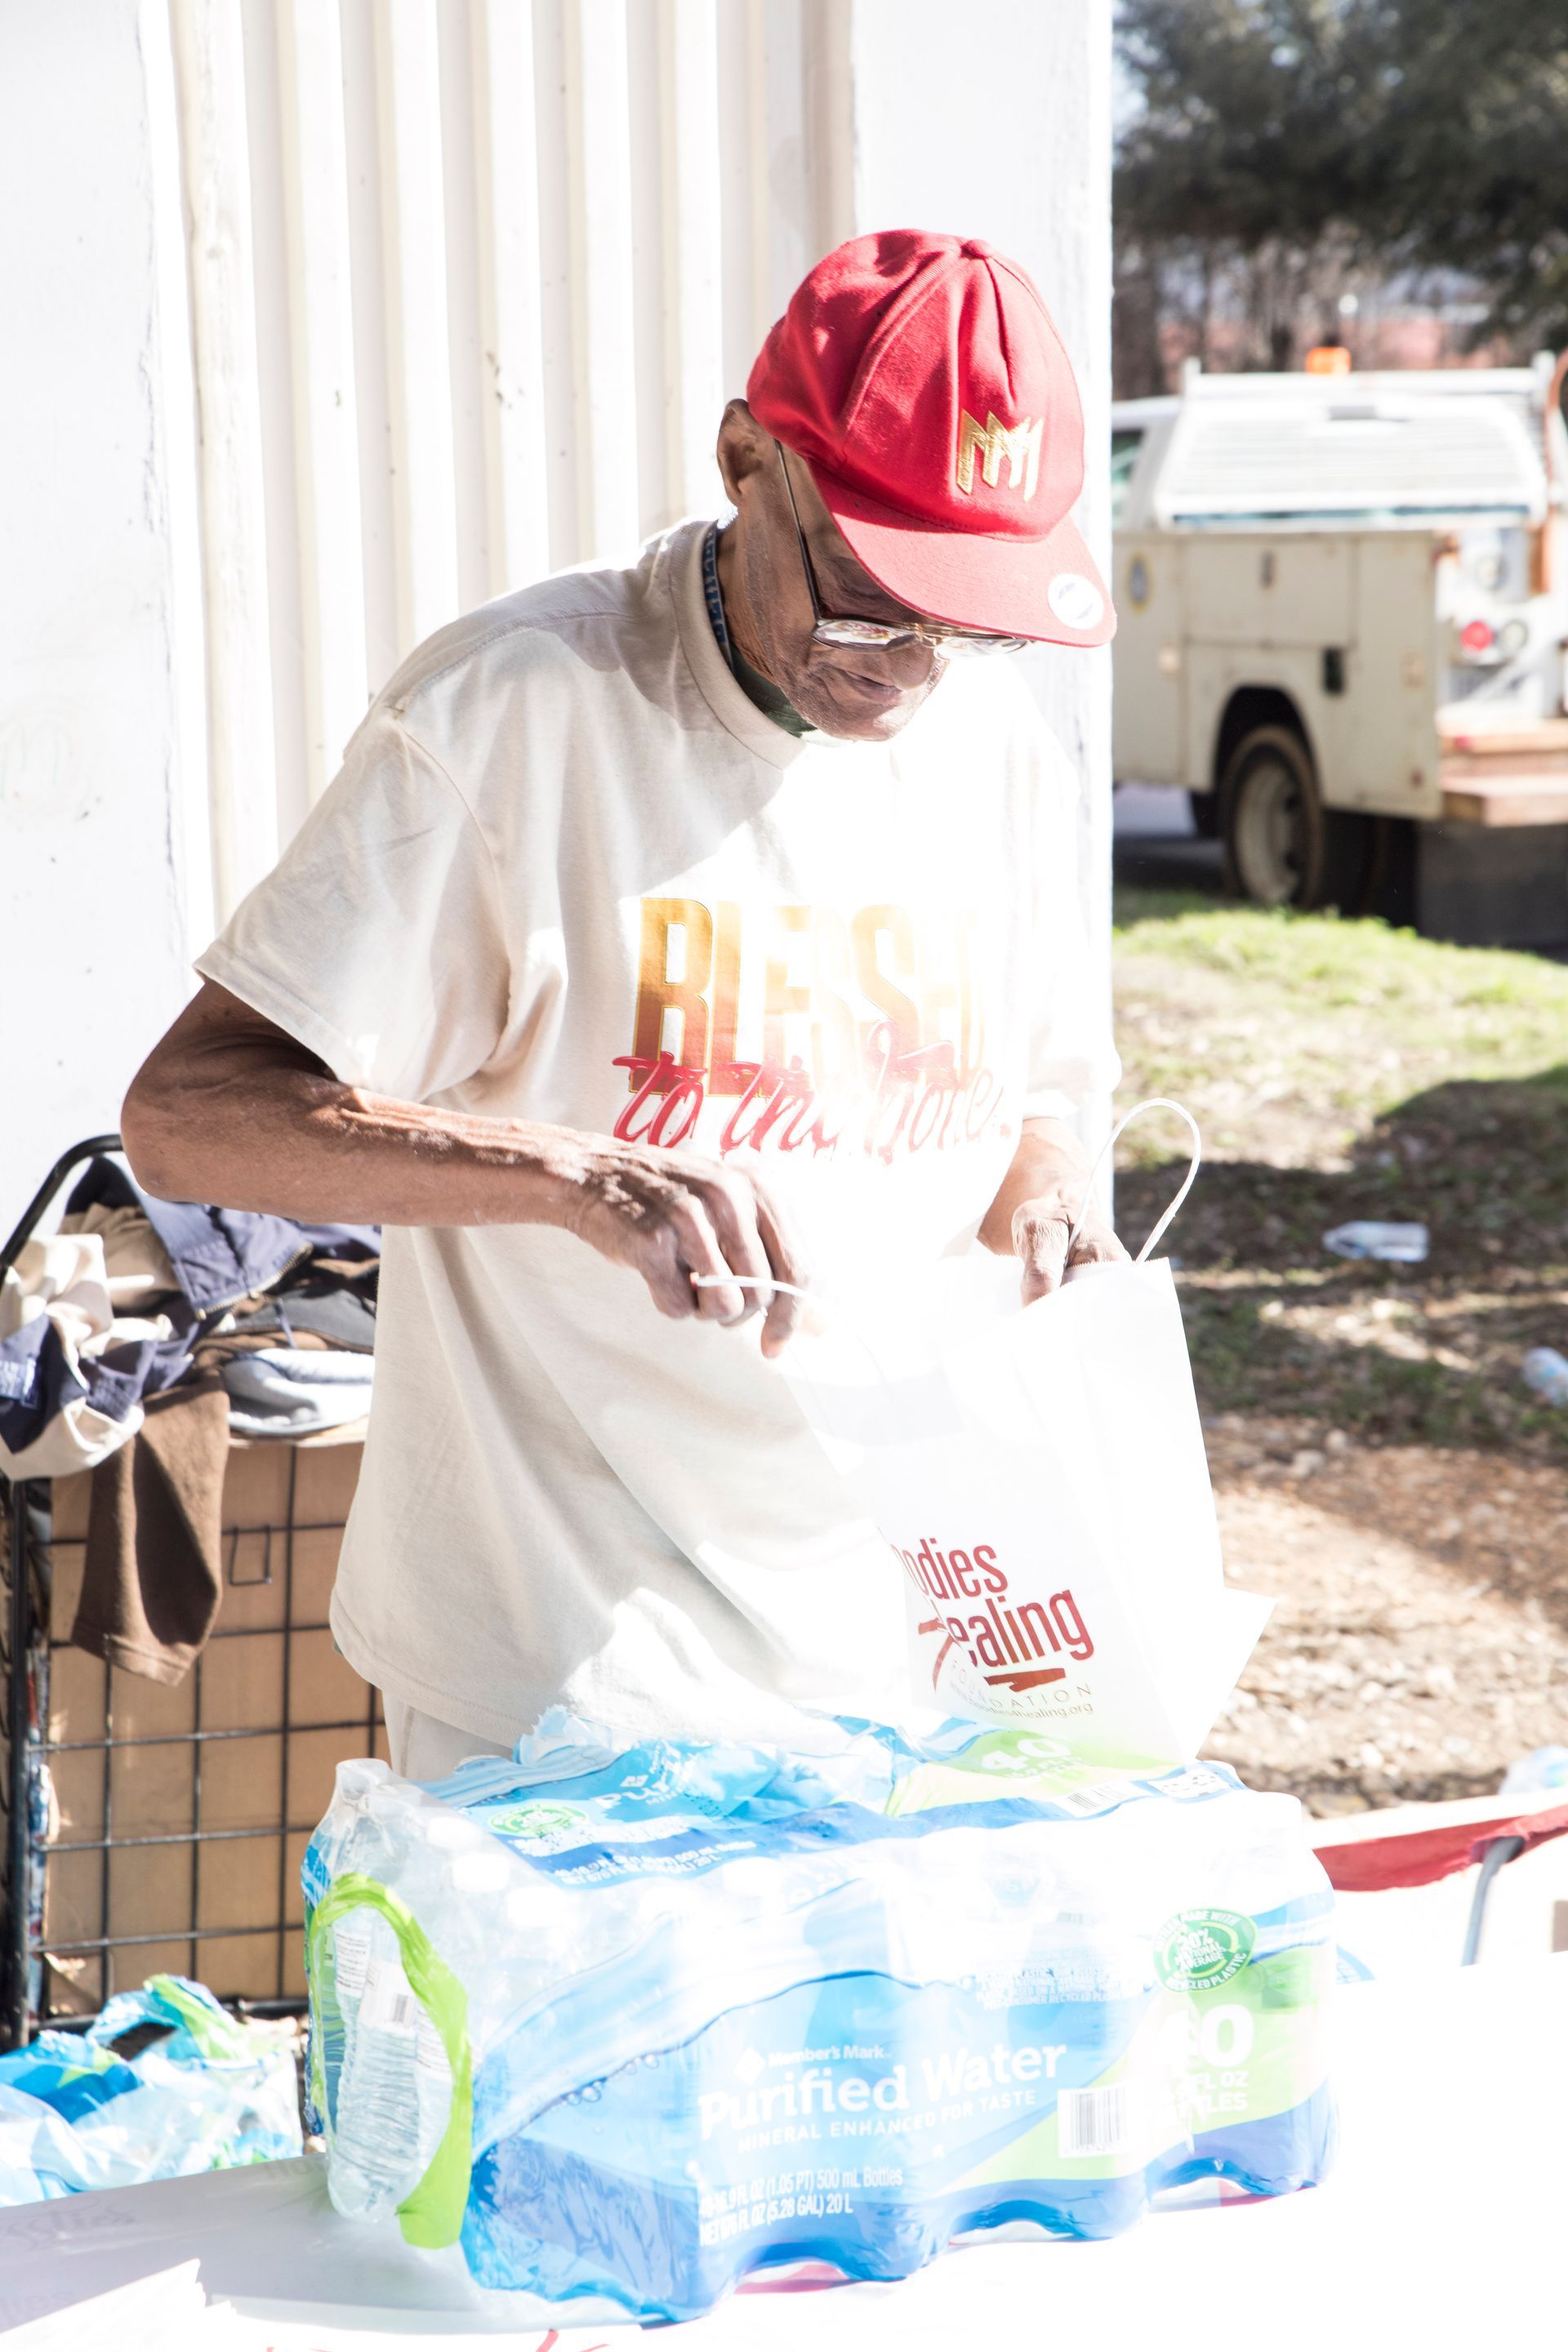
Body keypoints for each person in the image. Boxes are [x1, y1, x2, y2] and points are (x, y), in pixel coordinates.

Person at [122, 229, 1123, 1780]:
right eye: (866, 593)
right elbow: (187, 1121)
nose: (908, 666)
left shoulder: (992, 752)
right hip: (566, 1682)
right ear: (745, 460)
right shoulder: (519, 708)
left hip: (903, 1647)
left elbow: (1038, 1106)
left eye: (963, 616)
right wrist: (571, 1174)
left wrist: (1055, 1208)